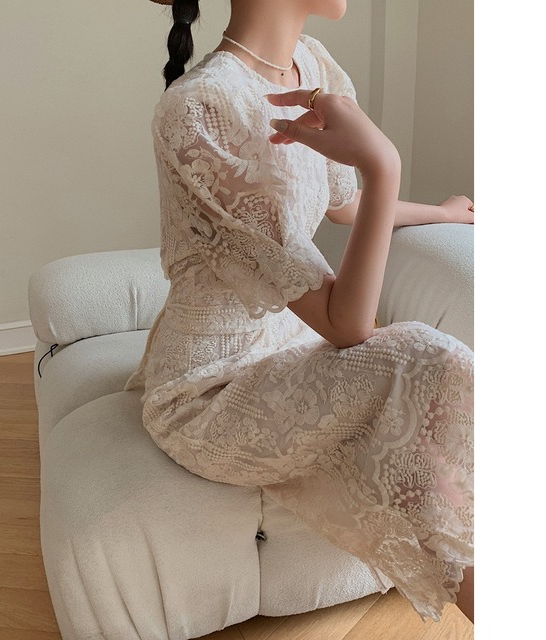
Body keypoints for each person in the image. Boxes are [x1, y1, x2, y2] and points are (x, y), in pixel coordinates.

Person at [127, 0, 474, 625]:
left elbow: (343, 204)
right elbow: (347, 325)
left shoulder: (311, 64)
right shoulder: (199, 107)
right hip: (208, 392)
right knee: (428, 357)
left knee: (435, 434)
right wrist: (384, 165)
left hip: (289, 346)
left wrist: (441, 213)